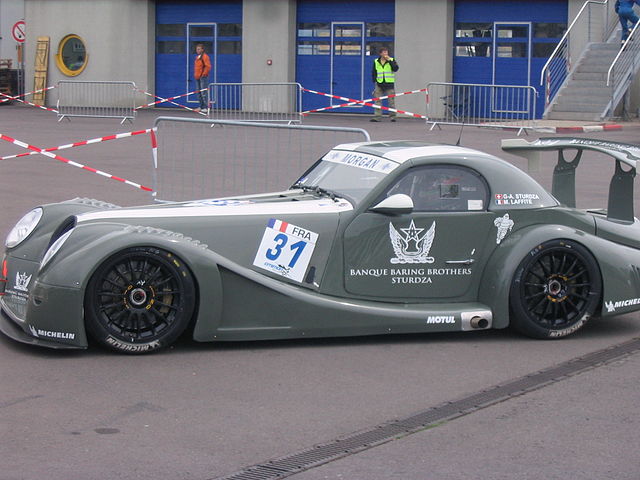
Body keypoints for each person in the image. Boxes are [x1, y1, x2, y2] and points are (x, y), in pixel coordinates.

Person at [370, 47, 399, 122]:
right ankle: (377, 117)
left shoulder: (391, 60)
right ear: (380, 54)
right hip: (379, 83)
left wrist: (389, 60)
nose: (386, 54)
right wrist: (375, 81)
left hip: (389, 83)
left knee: (391, 101)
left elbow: (395, 68)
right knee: (377, 101)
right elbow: (374, 72)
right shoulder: (376, 61)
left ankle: (393, 117)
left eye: (386, 52)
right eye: (384, 52)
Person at [193, 43, 211, 112]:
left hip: (203, 77)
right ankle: (201, 106)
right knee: (199, 92)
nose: (197, 50)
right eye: (197, 49)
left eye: (199, 49)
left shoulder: (205, 57)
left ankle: (205, 107)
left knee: (204, 92)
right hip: (197, 77)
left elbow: (208, 66)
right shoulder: (197, 57)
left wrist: (204, 74)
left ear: (202, 49)